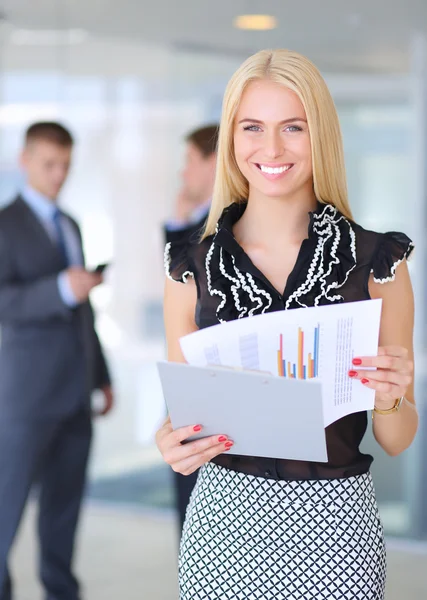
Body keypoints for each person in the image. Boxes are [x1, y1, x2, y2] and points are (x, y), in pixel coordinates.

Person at [156, 49, 418, 599]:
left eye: (292, 127)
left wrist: (394, 394)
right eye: (252, 127)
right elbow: (182, 421)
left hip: (337, 531)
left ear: (319, 134)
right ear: (231, 138)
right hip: (223, 528)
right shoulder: (190, 270)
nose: (271, 148)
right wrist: (171, 442)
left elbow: (396, 439)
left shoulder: (379, 264)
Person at [0, 122, 113, 600]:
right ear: (24, 160)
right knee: (6, 510)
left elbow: (82, 314)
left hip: (75, 393)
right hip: (25, 398)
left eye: (65, 164)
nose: (58, 174)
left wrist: (102, 376)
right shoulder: (4, 225)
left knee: (63, 512)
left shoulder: (71, 223)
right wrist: (61, 289)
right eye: (49, 163)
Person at [163, 124, 219, 532]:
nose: (184, 173)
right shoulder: (188, 228)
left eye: (190, 161)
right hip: (191, 378)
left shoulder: (220, 231)